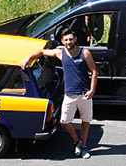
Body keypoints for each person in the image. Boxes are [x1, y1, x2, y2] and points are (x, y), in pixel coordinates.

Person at [20, 27, 98, 159]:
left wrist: (92, 90)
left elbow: (94, 71)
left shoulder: (85, 53)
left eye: (71, 39)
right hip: (69, 95)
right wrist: (28, 58)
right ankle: (77, 141)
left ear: (75, 39)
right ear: (62, 41)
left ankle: (84, 146)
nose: (69, 42)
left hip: (84, 94)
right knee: (64, 121)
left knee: (86, 121)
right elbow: (41, 51)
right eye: (66, 40)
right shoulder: (60, 53)